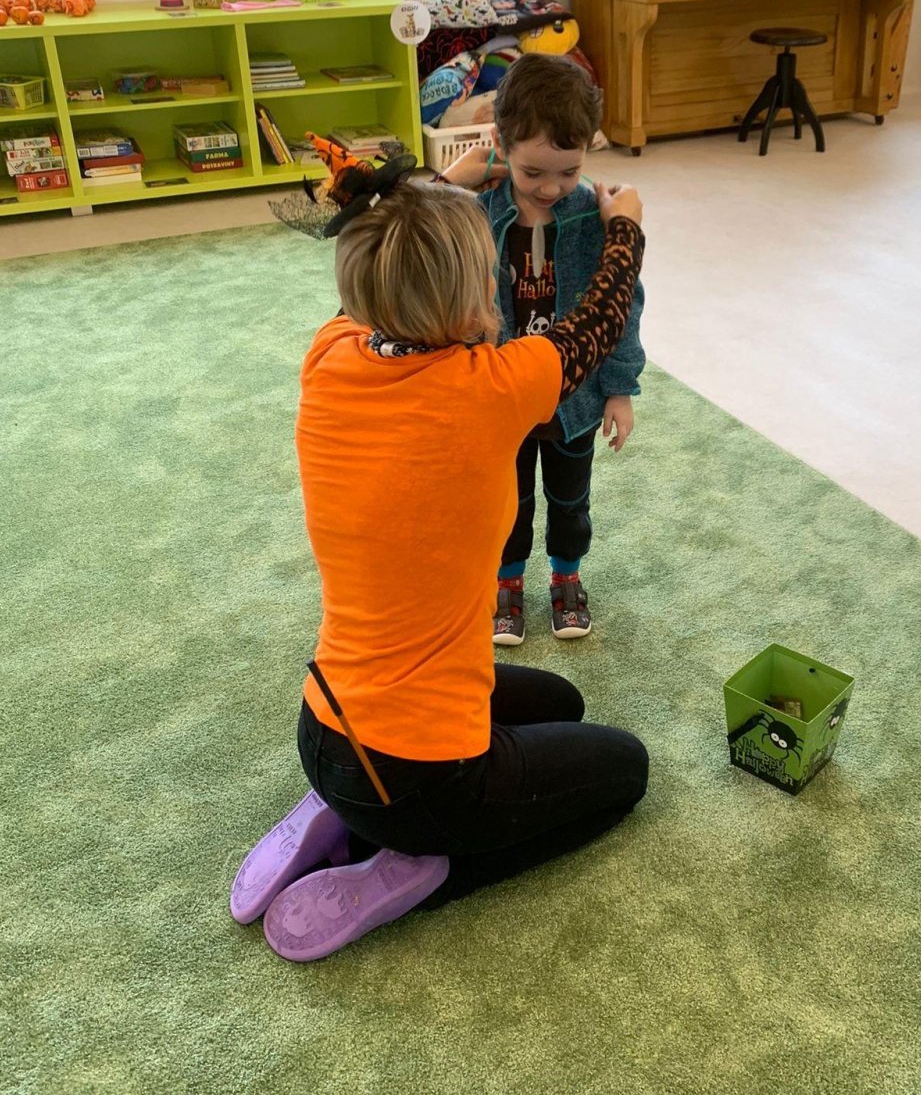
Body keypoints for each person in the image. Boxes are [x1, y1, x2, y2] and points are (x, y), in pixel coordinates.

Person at [230, 167, 649, 962]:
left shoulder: (332, 355)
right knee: (624, 772)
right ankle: (421, 868)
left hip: (325, 725)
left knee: (562, 701)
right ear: (461, 306)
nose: (497, 294)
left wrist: (430, 194)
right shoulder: (489, 388)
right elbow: (599, 317)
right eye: (488, 279)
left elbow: (383, 282)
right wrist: (624, 225)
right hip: (419, 779)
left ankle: (337, 807)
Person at [439, 54, 645, 645]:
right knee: (506, 501)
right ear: (500, 144)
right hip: (501, 397)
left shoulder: (597, 216)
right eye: (533, 172)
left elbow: (623, 303)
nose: (551, 188)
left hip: (573, 402)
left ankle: (566, 578)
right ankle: (506, 584)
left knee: (571, 498)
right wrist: (452, 179)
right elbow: (414, 244)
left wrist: (620, 389)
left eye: (569, 171)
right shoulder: (477, 210)